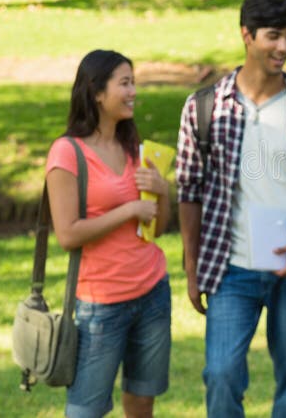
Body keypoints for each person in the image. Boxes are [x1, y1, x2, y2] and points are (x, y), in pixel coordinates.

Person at [175, 0, 286, 418]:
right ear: (246, 36)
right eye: (274, 36)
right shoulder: (205, 109)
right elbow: (189, 191)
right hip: (231, 269)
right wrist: (192, 266)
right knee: (221, 375)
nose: (284, 47)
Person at [46, 49, 172, 418]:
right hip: (101, 303)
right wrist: (128, 209)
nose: (134, 91)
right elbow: (68, 234)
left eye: (134, 82)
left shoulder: (134, 147)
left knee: (143, 400)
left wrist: (162, 192)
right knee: (85, 409)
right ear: (97, 92)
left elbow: (157, 229)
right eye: (125, 83)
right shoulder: (67, 153)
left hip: (152, 292)